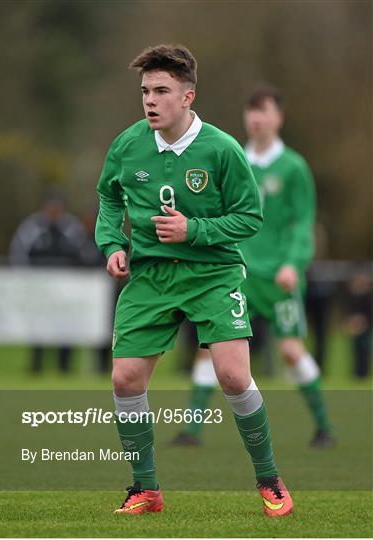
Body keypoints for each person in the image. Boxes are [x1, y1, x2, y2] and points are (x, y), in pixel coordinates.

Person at [95, 45, 293, 517]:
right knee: (124, 379)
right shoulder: (128, 144)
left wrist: (194, 230)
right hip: (152, 275)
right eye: (145, 91)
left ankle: (270, 480)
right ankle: (145, 489)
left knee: (232, 375)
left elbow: (249, 217)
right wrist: (112, 245)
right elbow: (108, 199)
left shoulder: (222, 149)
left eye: (161, 91)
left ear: (187, 97)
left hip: (212, 271)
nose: (150, 101)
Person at [173, 85, 335, 449]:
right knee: (210, 347)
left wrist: (294, 263)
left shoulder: (294, 168)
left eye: (263, 111)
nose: (255, 118)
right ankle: (192, 432)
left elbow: (302, 223)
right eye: (250, 111)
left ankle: (324, 427)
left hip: (278, 277)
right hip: (235, 273)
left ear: (278, 117)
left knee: (291, 350)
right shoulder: (232, 157)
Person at [10, 191, 87, 373]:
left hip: (66, 290)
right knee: (38, 326)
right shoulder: (31, 226)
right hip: (39, 288)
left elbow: (84, 253)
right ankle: (36, 365)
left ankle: (64, 366)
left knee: (66, 327)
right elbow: (18, 252)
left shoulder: (71, 227)